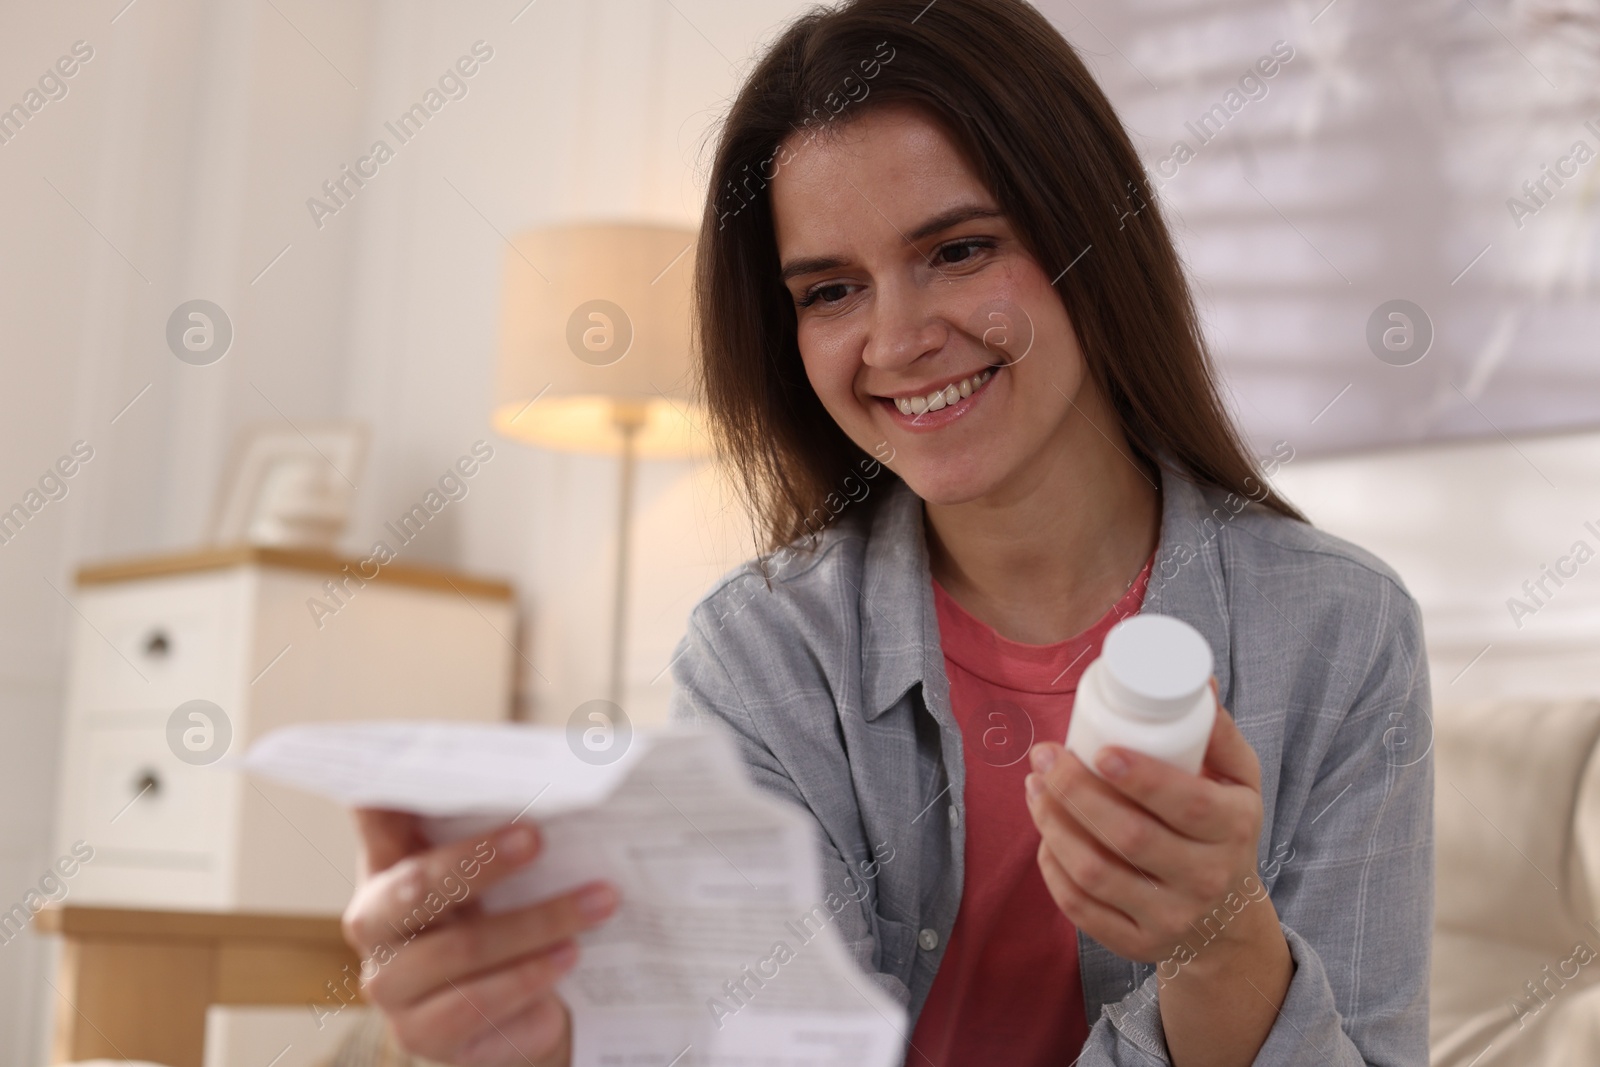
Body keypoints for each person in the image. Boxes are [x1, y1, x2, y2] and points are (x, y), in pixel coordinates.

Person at [338, 1, 1434, 1064]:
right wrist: (550, 1045)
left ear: (1088, 239)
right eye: (829, 289)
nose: (897, 339)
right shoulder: (764, 651)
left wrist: (1223, 944)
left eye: (957, 250)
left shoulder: (1338, 632)